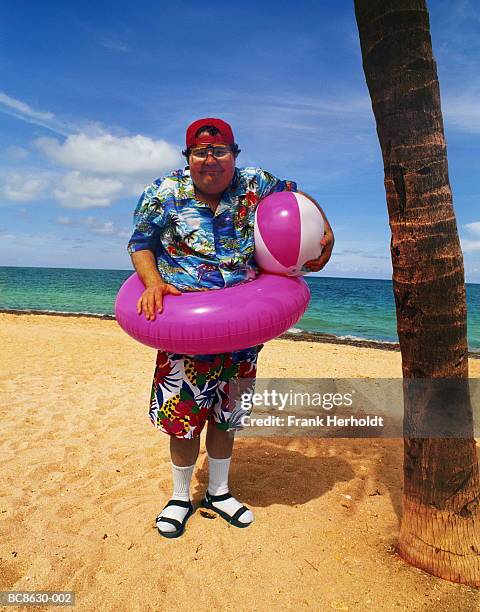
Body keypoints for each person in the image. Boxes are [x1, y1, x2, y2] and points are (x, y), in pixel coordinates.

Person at [127, 118, 334, 538]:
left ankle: (219, 492)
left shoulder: (256, 183)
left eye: (220, 151)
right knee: (181, 419)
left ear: (233, 154)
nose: (210, 159)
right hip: (183, 334)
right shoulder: (163, 192)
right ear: (188, 158)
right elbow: (140, 243)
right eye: (200, 152)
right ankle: (181, 497)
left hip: (243, 335)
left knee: (227, 416)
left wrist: (324, 229)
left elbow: (296, 198)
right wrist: (152, 283)